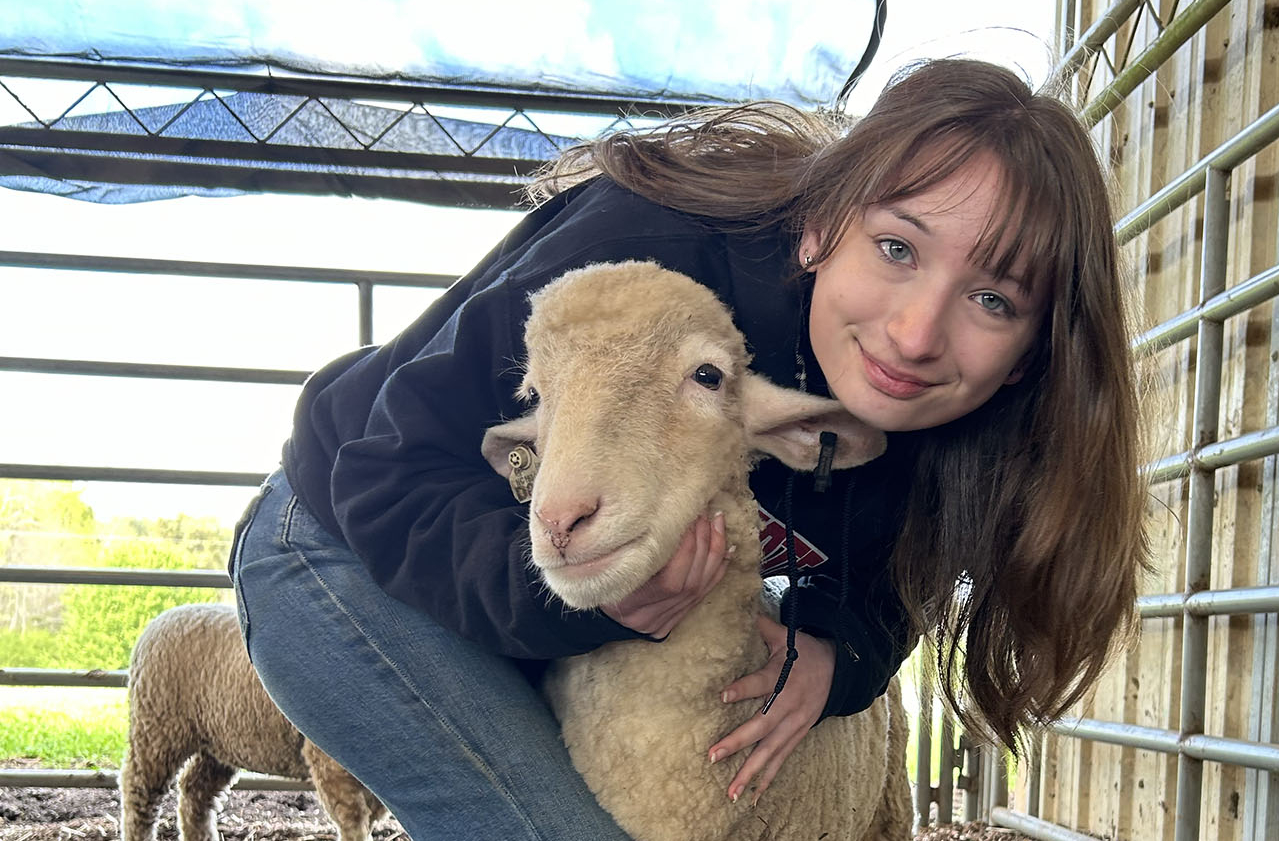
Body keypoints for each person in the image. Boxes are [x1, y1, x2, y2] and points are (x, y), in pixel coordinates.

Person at [229, 58, 1148, 839]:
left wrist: (842, 654)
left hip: (547, 607)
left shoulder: (940, 420)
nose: (915, 334)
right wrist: (601, 604)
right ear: (826, 221)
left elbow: (892, 581)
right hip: (341, 547)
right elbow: (390, 466)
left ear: (1036, 349)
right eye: (898, 247)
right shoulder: (641, 263)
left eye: (994, 299)